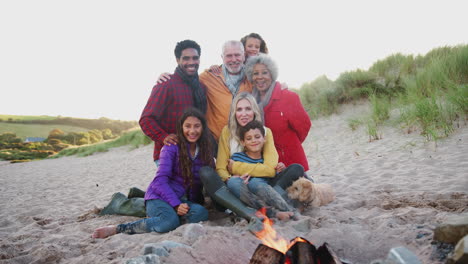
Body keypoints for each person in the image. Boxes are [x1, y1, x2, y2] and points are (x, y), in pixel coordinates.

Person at [92, 108, 214, 239]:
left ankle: (166, 217)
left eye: (197, 126)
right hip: (159, 196)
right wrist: (176, 204)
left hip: (183, 200)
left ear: (203, 128)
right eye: (187, 126)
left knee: (201, 213)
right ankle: (118, 229)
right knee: (168, 222)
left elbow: (212, 175)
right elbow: (159, 181)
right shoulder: (171, 147)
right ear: (181, 127)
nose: (192, 131)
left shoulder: (205, 150)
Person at [199, 92, 304, 228]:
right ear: (234, 112)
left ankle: (246, 209)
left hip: (262, 185)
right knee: (207, 173)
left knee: (296, 169)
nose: (244, 114)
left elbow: (270, 170)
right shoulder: (227, 132)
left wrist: (236, 167)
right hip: (235, 186)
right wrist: (230, 178)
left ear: (254, 111)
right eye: (239, 109)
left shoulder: (265, 132)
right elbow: (220, 167)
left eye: (248, 109)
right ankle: (262, 211)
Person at [157, 40, 252, 141]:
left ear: (243, 56)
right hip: (217, 141)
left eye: (237, 55)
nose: (233, 59)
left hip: (248, 140)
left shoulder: (253, 78)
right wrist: (166, 76)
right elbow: (187, 76)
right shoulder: (209, 76)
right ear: (222, 57)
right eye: (229, 56)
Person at [140, 39, 207, 166]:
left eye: (195, 58)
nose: (191, 62)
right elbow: (146, 119)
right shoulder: (166, 84)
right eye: (186, 58)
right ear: (177, 60)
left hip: (195, 152)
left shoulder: (201, 87)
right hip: (169, 154)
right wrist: (163, 137)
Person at [244, 53, 312, 174]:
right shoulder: (250, 102)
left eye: (264, 72)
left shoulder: (288, 97)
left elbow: (304, 126)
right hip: (266, 165)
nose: (260, 77)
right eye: (255, 73)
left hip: (291, 162)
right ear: (251, 76)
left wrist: (289, 146)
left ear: (272, 74)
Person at [230, 120, 295, 221]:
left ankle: (286, 210)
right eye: (249, 138)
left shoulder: (267, 159)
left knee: (296, 168)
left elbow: (273, 175)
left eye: (257, 137)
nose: (253, 141)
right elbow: (233, 175)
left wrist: (280, 167)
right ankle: (276, 213)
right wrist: (237, 177)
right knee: (232, 182)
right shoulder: (236, 157)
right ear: (243, 142)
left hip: (266, 191)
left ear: (264, 139)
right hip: (247, 193)